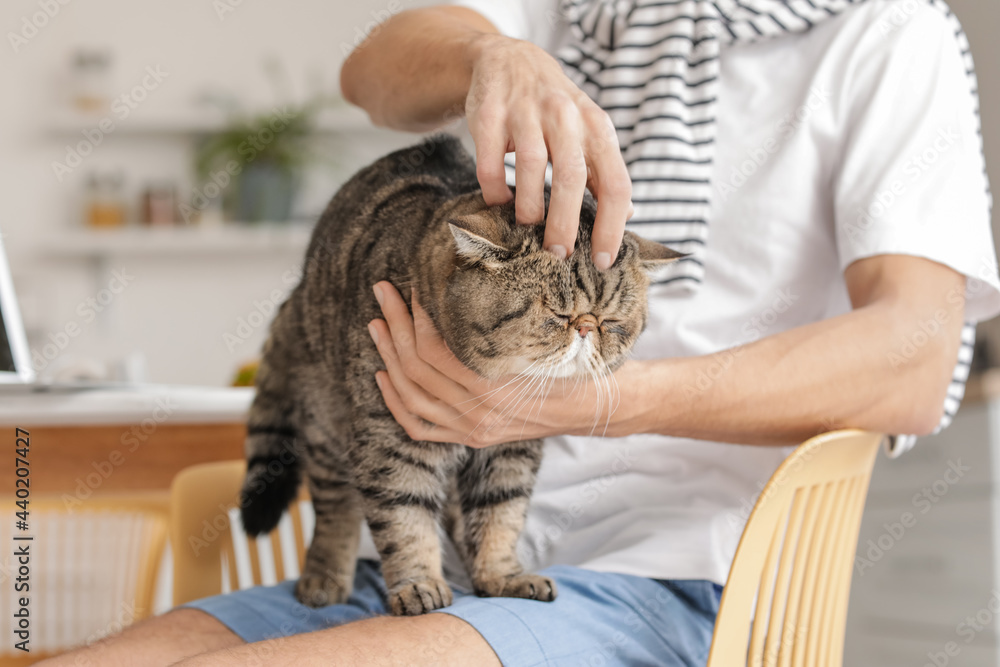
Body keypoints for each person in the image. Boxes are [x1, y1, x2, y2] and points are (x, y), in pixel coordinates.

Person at [43, 0, 1000, 665]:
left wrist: (603, 403)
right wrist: (496, 54)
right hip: (415, 555)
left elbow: (913, 357)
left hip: (669, 585)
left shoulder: (887, 35)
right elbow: (369, 72)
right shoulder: (564, 16)